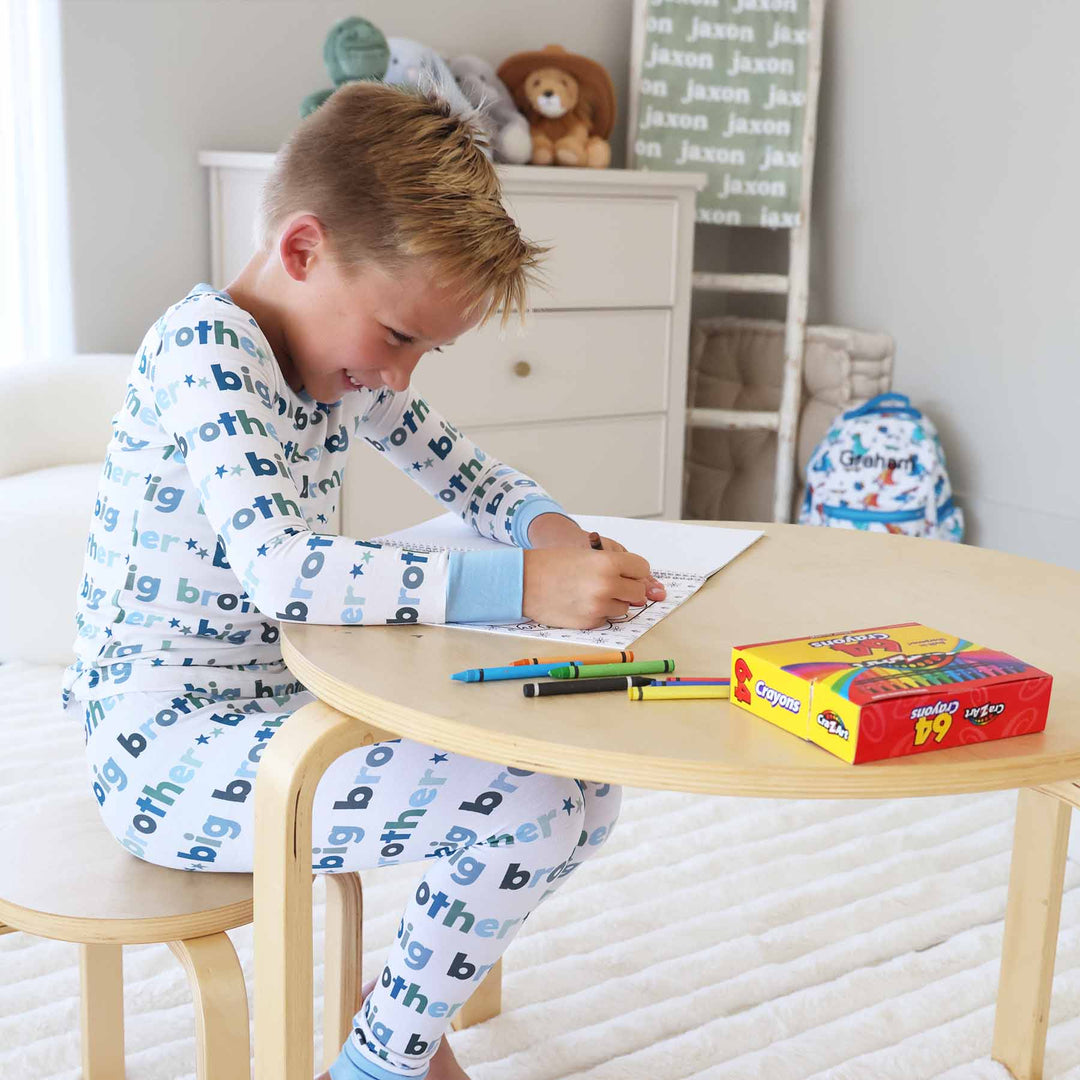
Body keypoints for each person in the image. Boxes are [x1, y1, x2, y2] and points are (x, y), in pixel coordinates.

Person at [60, 79, 667, 1080]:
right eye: (398, 339)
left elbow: (462, 469)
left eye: (426, 351)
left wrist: (561, 538)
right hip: (166, 756)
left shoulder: (333, 360)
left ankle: (393, 1027)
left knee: (588, 783)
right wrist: (523, 585)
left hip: (285, 715)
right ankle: (381, 1064)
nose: (401, 377)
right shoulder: (206, 349)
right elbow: (284, 570)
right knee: (536, 803)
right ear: (303, 251)